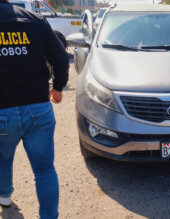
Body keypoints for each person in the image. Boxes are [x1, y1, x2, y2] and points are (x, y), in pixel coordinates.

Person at [0, 0, 69, 218]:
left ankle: (3, 196)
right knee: (44, 169)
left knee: (2, 158)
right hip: (38, 108)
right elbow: (60, 58)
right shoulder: (35, 20)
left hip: (2, 112)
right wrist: (58, 87)